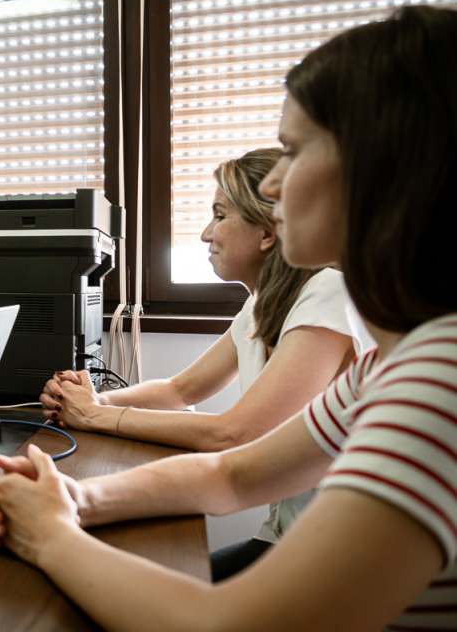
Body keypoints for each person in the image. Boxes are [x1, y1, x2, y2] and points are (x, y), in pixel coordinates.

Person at [0, 5, 457, 631]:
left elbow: (228, 624)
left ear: (386, 168)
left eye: (294, 151)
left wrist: (50, 535)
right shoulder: (393, 364)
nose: (276, 184)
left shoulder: (439, 382)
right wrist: (76, 497)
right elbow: (231, 475)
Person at [41, 149, 369, 579]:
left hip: (341, 556)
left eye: (219, 215)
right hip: (290, 536)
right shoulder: (260, 305)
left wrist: (97, 415)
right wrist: (89, 397)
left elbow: (235, 433)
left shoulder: (327, 292)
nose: (204, 233)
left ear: (267, 233)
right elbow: (181, 390)